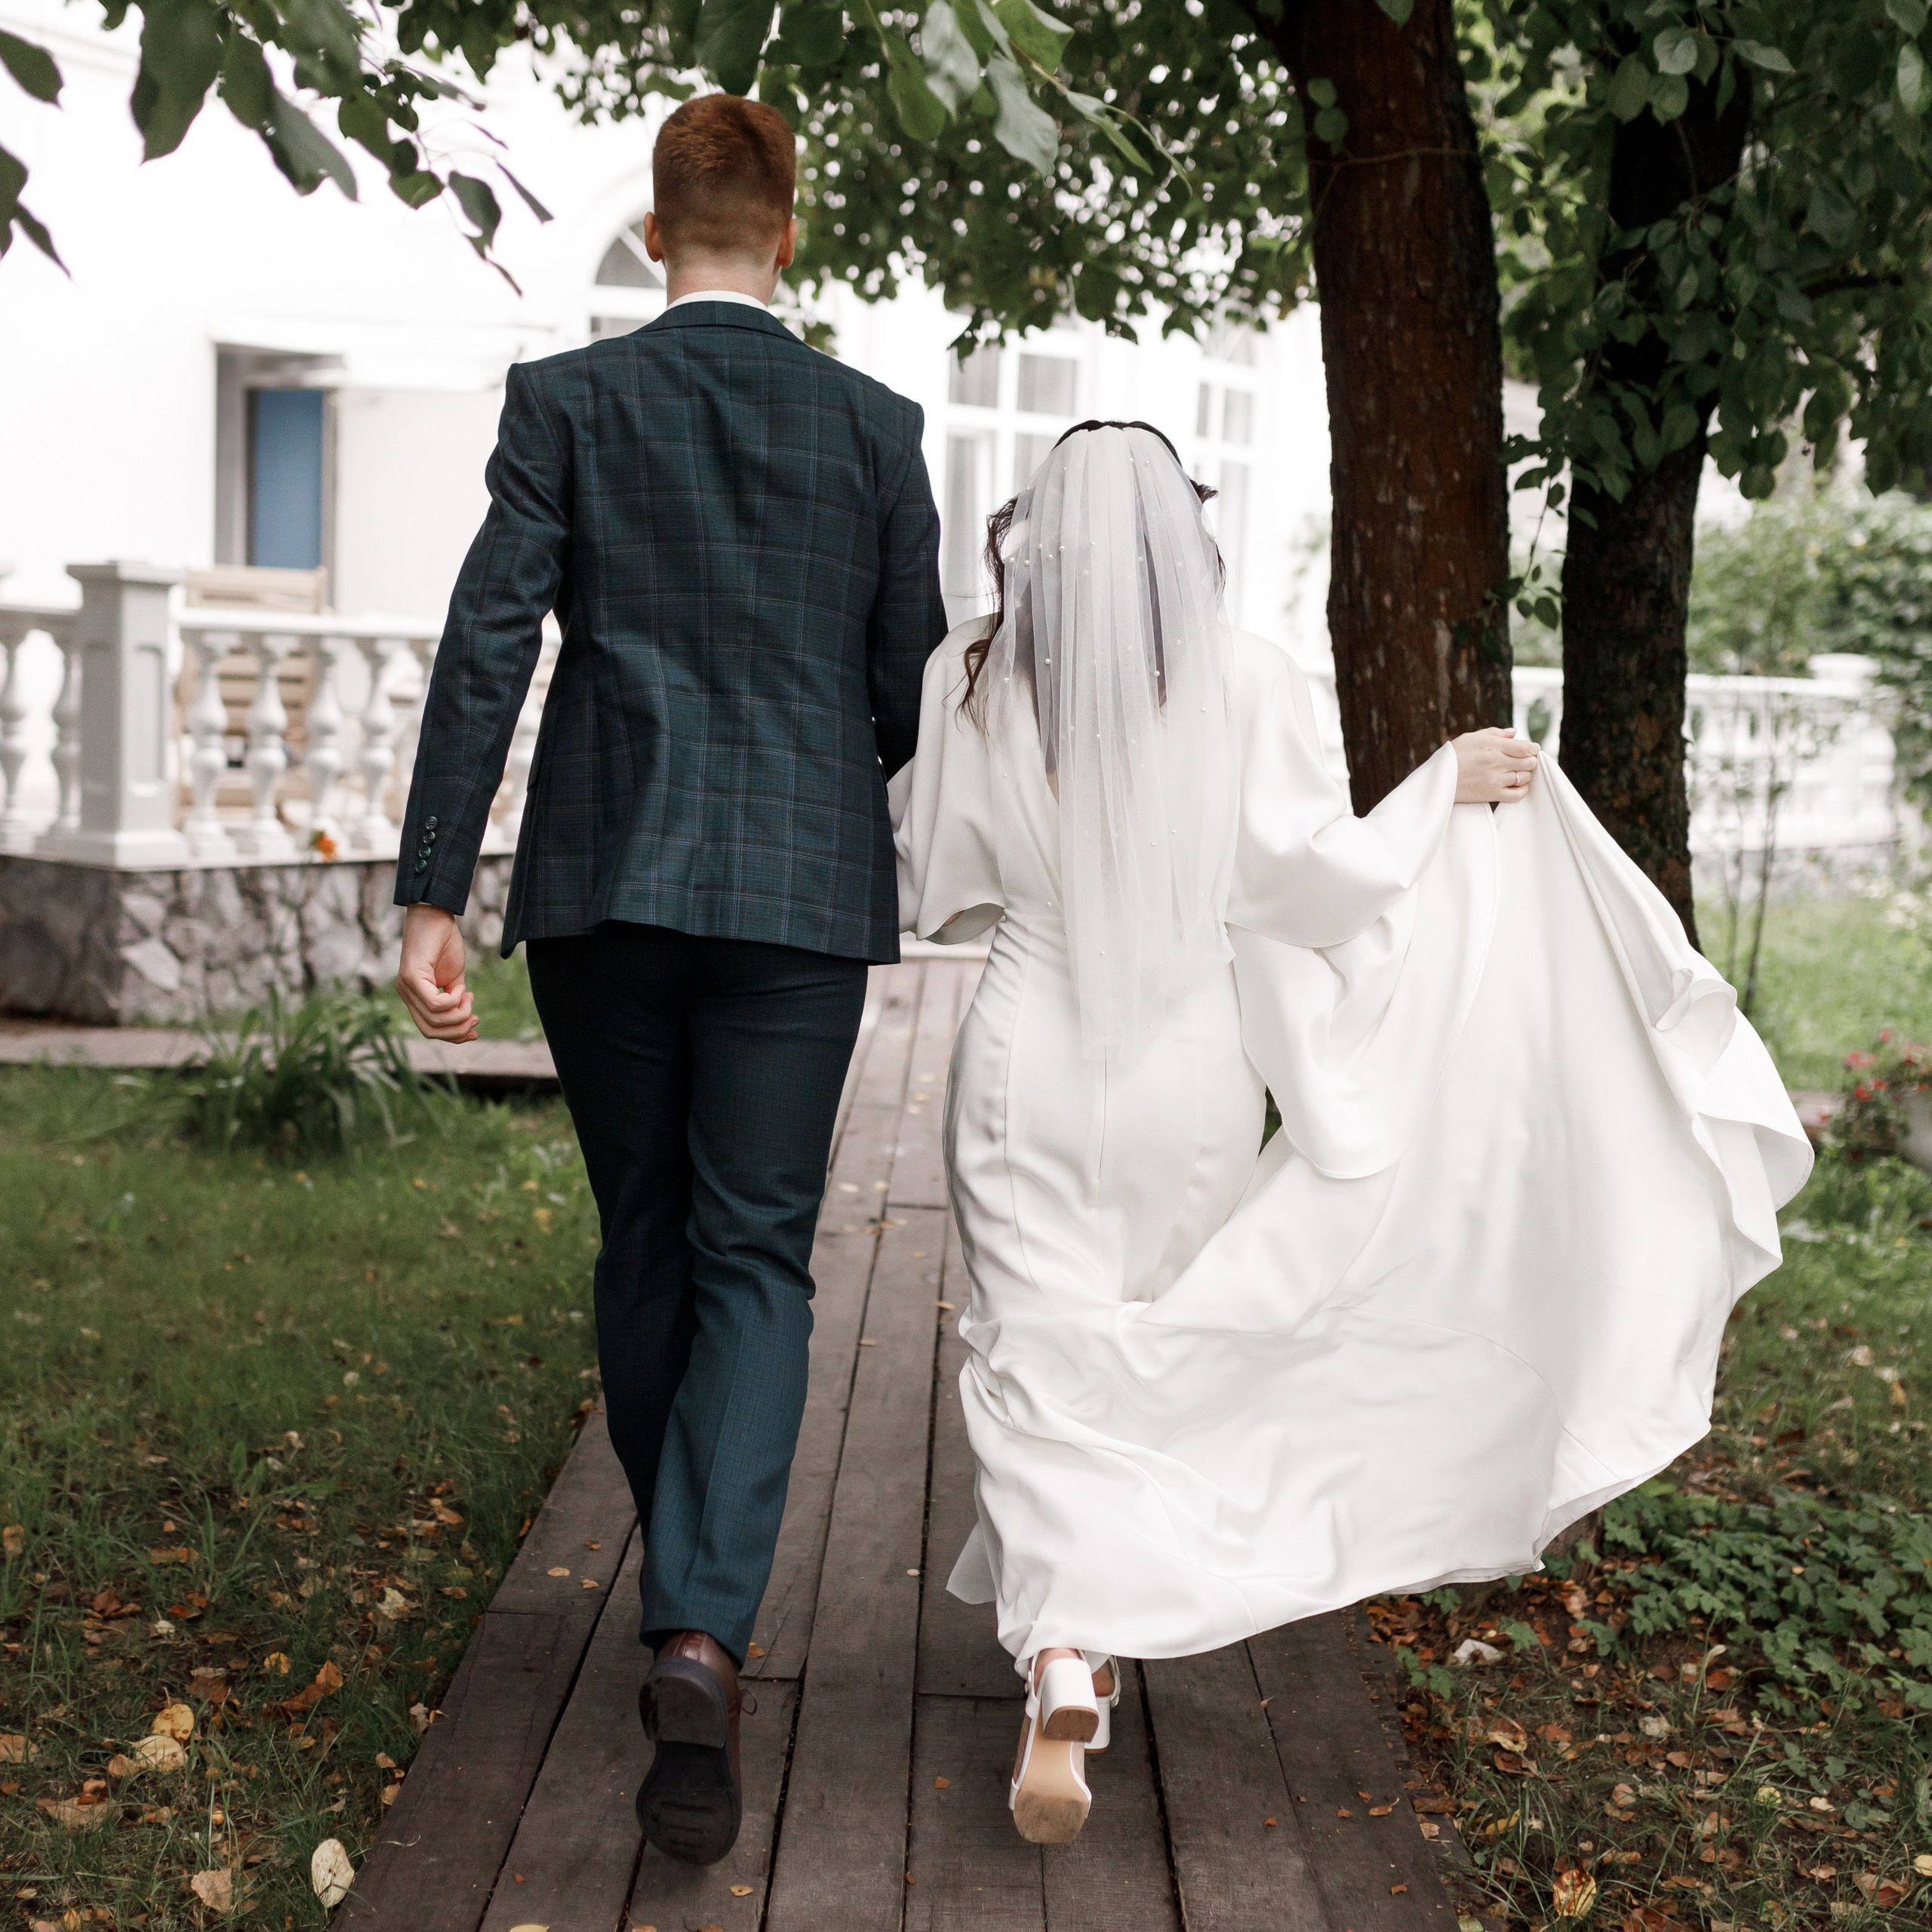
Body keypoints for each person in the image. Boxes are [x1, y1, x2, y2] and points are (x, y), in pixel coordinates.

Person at [890, 421, 1811, 1845]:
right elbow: (1317, 887)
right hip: (1190, 1063)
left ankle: (1066, 1650)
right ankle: (1092, 1631)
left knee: (1032, 1344)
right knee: (1156, 1336)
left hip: (1028, 1053)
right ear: (1177, 543)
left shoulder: (976, 678)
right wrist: (1440, 785)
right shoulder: (1241, 680)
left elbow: (942, 888)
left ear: (1040, 536)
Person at [392, 94, 946, 1865]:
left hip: (605, 882)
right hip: (793, 894)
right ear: (788, 236)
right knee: (753, 1254)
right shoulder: (873, 427)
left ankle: (680, 1597)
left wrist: (430, 893)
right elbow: (903, 686)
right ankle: (702, 1621)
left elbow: (489, 639)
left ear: (654, 235)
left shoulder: (567, 402)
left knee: (646, 1233)